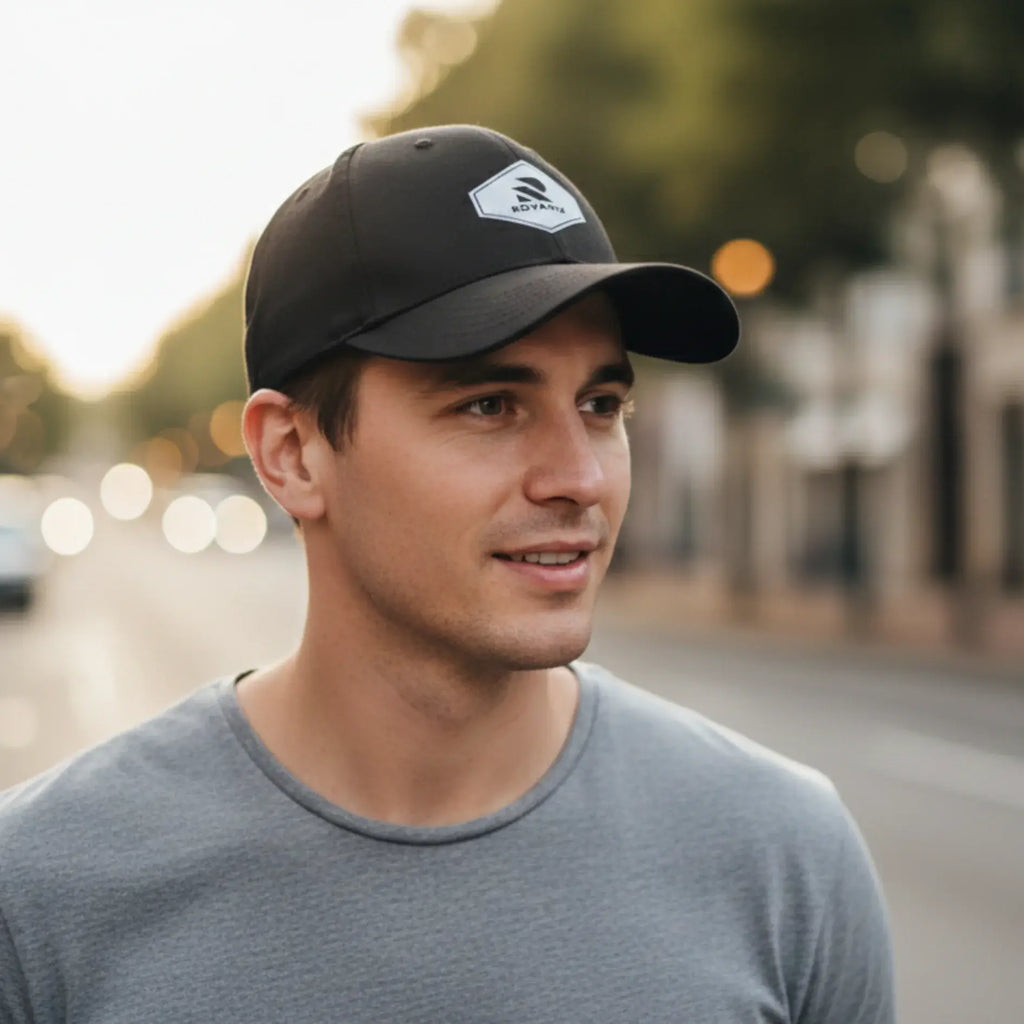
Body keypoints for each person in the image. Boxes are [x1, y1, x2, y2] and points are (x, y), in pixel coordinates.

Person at [0, 125, 894, 1023]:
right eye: (490, 405)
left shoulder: (787, 855)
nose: (579, 477)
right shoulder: (41, 894)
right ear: (293, 455)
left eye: (601, 404)